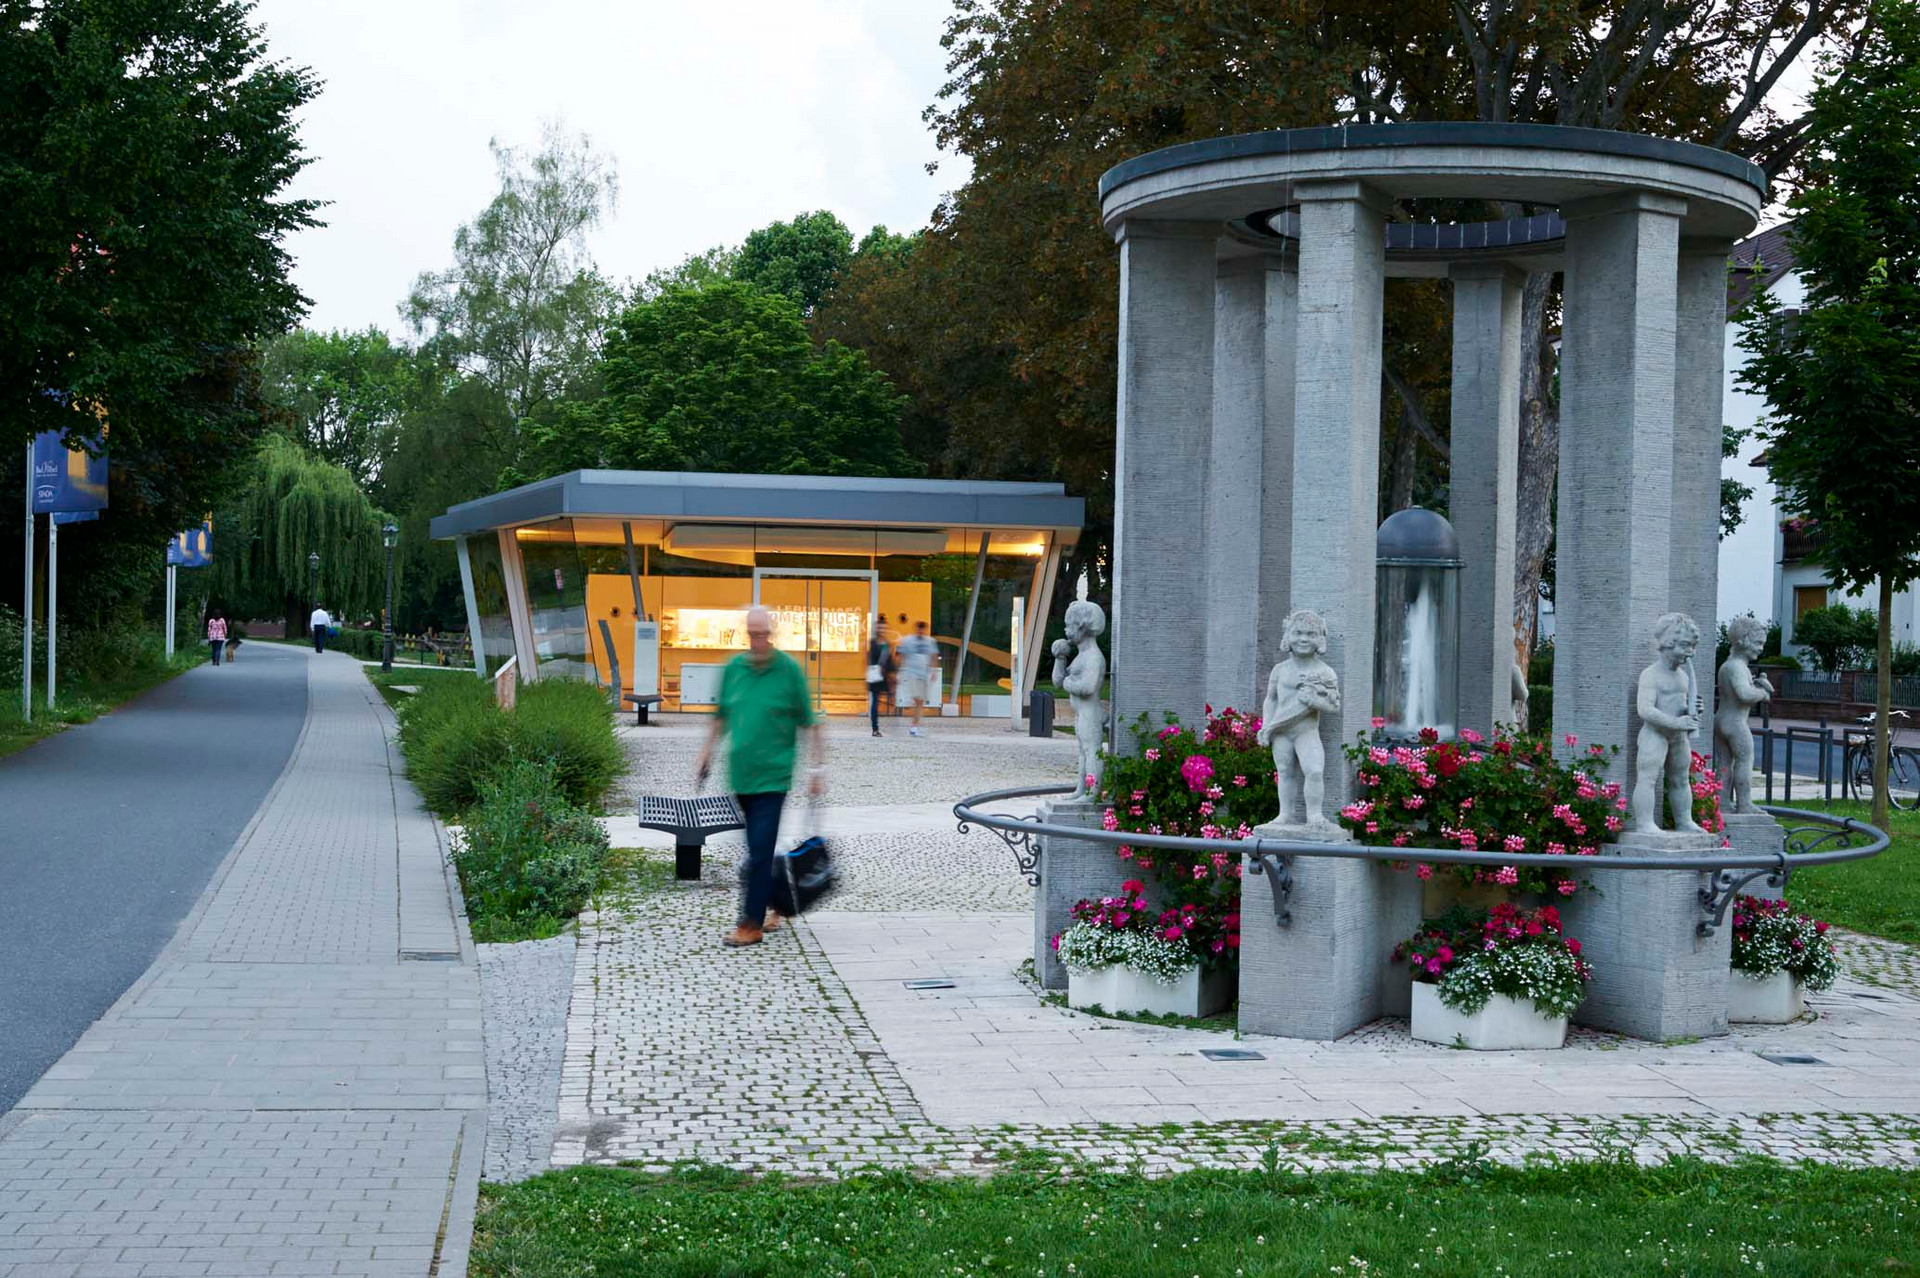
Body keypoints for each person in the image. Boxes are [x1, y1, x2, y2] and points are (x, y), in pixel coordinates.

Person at [695, 605, 826, 948]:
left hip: (773, 777)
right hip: (740, 776)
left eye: (763, 634)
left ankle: (750, 924)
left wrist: (817, 769)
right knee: (758, 850)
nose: (757, 641)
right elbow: (721, 715)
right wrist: (706, 754)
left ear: (771, 633)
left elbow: (811, 721)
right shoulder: (734, 668)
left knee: (759, 850)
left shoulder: (789, 671)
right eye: (752, 635)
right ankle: (777, 904)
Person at [895, 619, 940, 737]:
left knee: (920, 701)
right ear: (916, 629)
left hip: (923, 675)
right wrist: (898, 671)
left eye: (922, 629)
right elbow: (900, 655)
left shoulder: (930, 642)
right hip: (911, 674)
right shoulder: (908, 640)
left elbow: (934, 656)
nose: (920, 632)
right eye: (919, 629)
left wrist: (934, 671)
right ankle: (914, 726)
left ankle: (914, 726)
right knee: (918, 700)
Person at [865, 624, 894, 738]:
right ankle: (875, 728)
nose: (882, 630)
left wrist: (892, 672)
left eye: (884, 628)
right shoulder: (873, 643)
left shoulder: (887, 643)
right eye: (880, 628)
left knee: (887, 698)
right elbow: (870, 658)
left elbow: (889, 660)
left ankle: (887, 724)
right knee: (875, 701)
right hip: (876, 675)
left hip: (884, 675)